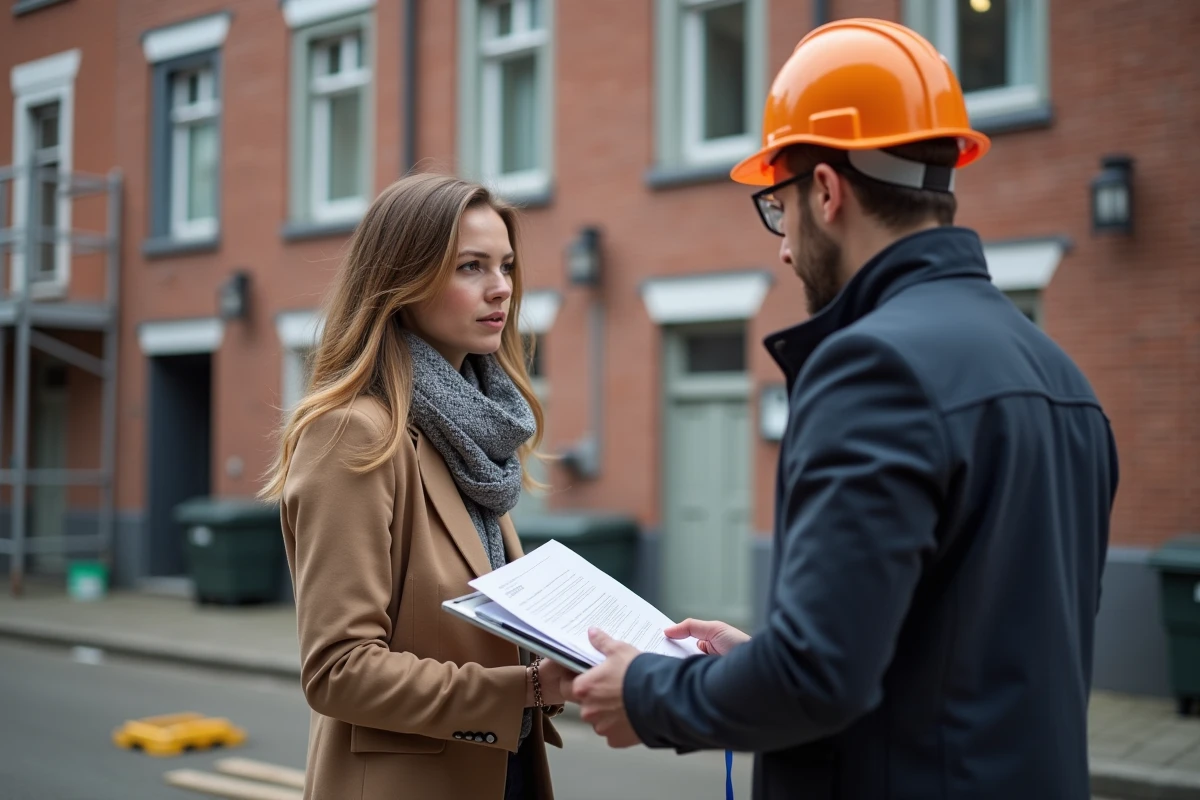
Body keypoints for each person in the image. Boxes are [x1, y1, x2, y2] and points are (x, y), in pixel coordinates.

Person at [562, 18, 1119, 800]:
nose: (783, 247)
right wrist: (765, 657)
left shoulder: (873, 367)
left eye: (777, 208)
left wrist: (649, 694)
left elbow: (818, 678)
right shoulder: (1064, 379)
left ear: (825, 191)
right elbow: (960, 650)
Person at [261, 173, 571, 800]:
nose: (501, 288)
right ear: (401, 281)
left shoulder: (476, 434)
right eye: (470, 267)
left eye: (506, 265)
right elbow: (339, 671)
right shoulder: (353, 433)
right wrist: (529, 687)